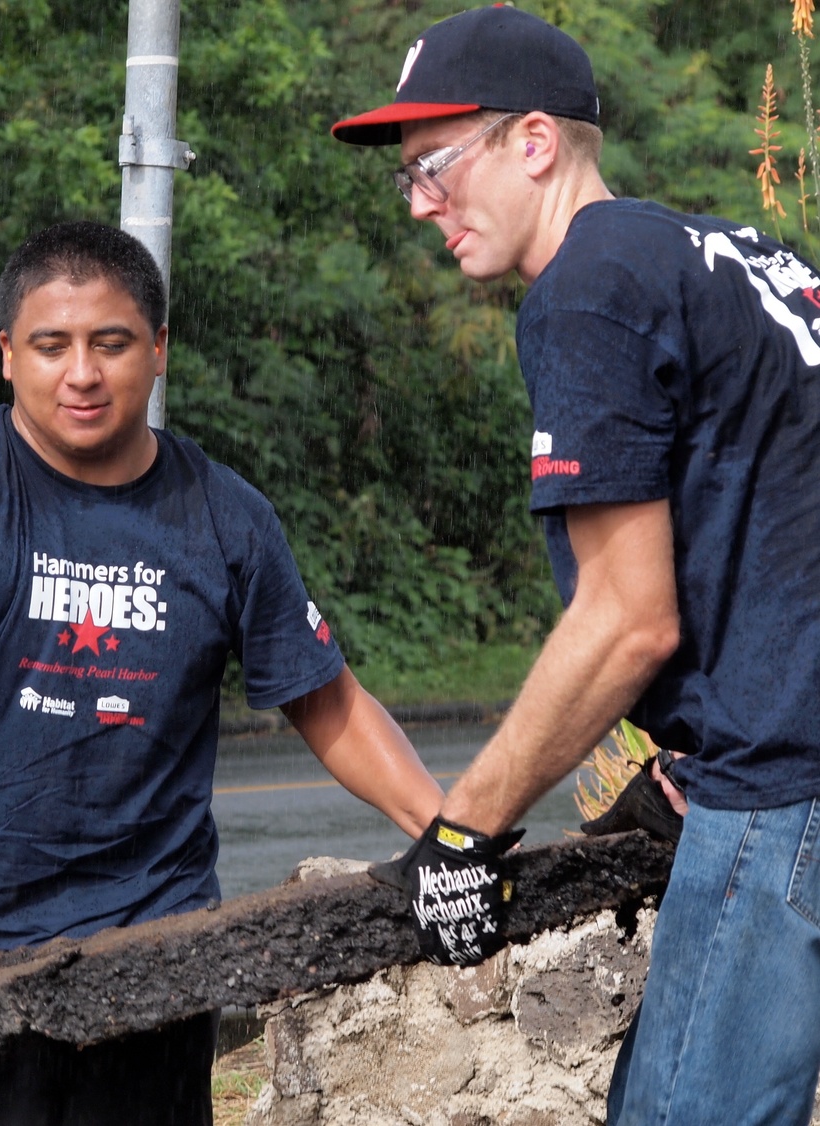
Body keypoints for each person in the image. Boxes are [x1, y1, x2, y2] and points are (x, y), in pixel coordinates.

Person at [0, 219, 444, 1126]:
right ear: (7, 355)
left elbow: (328, 703)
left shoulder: (226, 518)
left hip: (157, 967)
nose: (81, 372)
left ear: (158, 350)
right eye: (52, 345)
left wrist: (449, 834)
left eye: (111, 343)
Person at [333, 6, 820, 1124]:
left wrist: (466, 832)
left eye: (435, 166)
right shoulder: (749, 258)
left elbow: (625, 620)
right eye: (406, 178)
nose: (418, 203)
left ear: (535, 143)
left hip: (783, 786)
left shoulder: (588, 289)